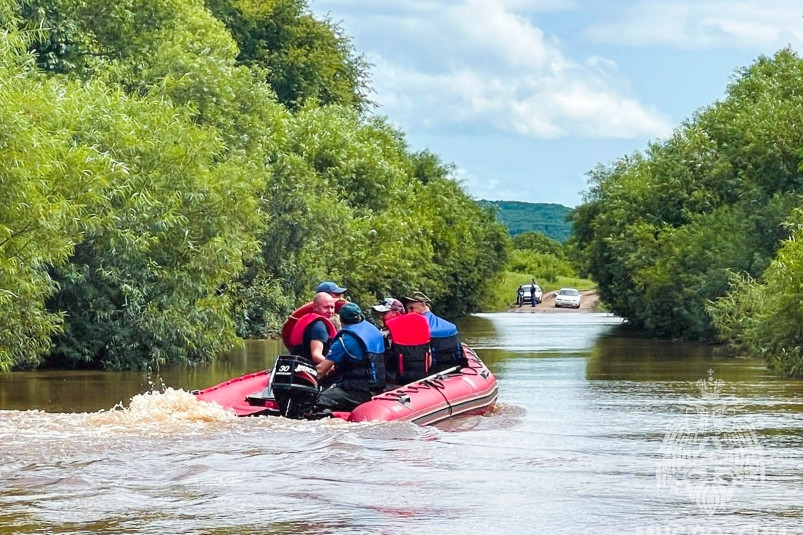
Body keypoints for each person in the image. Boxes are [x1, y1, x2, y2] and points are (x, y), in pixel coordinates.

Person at [315, 303, 386, 411]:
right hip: (378, 388)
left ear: (341, 320)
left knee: (318, 399)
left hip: (356, 391)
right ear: (360, 316)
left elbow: (321, 370)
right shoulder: (374, 331)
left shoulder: (344, 341)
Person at [372, 297, 431, 385]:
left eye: (384, 313)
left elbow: (378, 359)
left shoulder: (386, 331)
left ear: (396, 312)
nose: (381, 317)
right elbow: (429, 356)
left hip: (396, 381)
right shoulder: (420, 322)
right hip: (422, 376)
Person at [403, 291, 464, 374]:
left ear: (423, 304)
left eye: (412, 308)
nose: (409, 313)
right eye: (408, 309)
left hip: (430, 373)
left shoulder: (413, 328)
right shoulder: (451, 327)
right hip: (453, 368)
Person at [287, 292, 337, 365]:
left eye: (332, 307)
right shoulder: (319, 326)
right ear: (315, 307)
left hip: (297, 364)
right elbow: (316, 355)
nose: (330, 311)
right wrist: (336, 365)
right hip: (310, 368)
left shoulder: (308, 320)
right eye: (326, 307)